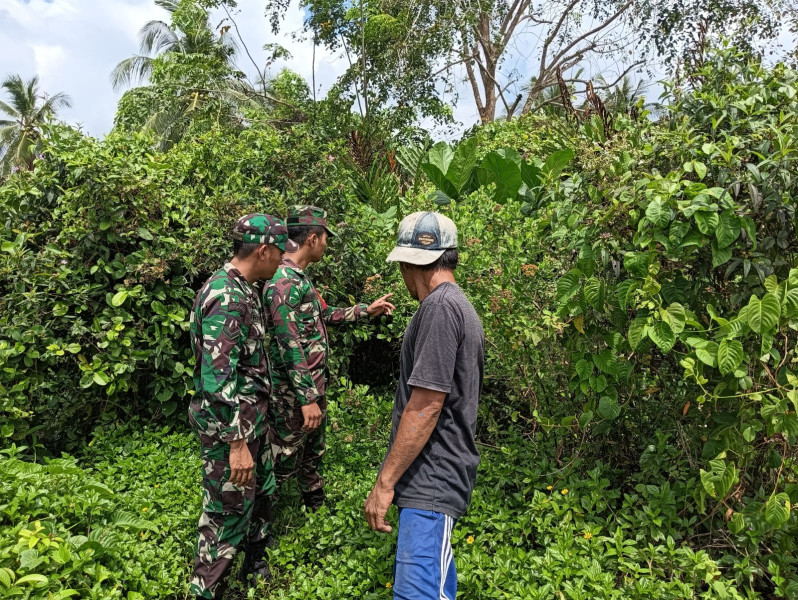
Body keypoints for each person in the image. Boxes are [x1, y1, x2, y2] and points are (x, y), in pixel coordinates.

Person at [364, 211, 484, 600]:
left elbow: (426, 404)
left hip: (431, 483)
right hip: (430, 485)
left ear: (406, 262)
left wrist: (385, 483)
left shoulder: (438, 308)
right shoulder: (454, 305)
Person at [188, 214, 298, 599]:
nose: (282, 261)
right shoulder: (228, 296)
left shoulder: (245, 288)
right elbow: (216, 380)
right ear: (264, 250)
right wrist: (236, 443)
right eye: (279, 253)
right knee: (226, 512)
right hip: (231, 428)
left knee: (262, 491)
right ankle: (206, 589)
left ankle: (255, 563)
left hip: (253, 422)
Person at [264, 205, 395, 511]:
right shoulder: (283, 283)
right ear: (312, 238)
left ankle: (313, 497)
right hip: (294, 393)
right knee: (283, 454)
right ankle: (263, 520)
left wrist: (366, 310)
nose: (326, 243)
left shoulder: (300, 279)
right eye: (325, 237)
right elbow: (289, 344)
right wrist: (307, 398)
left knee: (313, 448)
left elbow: (324, 313)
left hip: (313, 386)